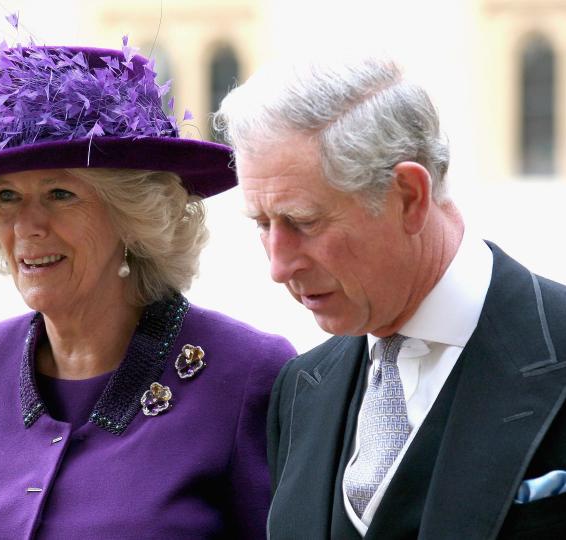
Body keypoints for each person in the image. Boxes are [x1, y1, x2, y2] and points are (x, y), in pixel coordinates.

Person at [0, 37, 296, 539]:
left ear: (132, 216)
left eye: (60, 194)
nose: (27, 226)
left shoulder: (245, 372)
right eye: (6, 197)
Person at [215, 56, 566, 538]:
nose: (278, 267)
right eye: (263, 224)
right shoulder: (299, 389)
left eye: (304, 221)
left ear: (408, 196)